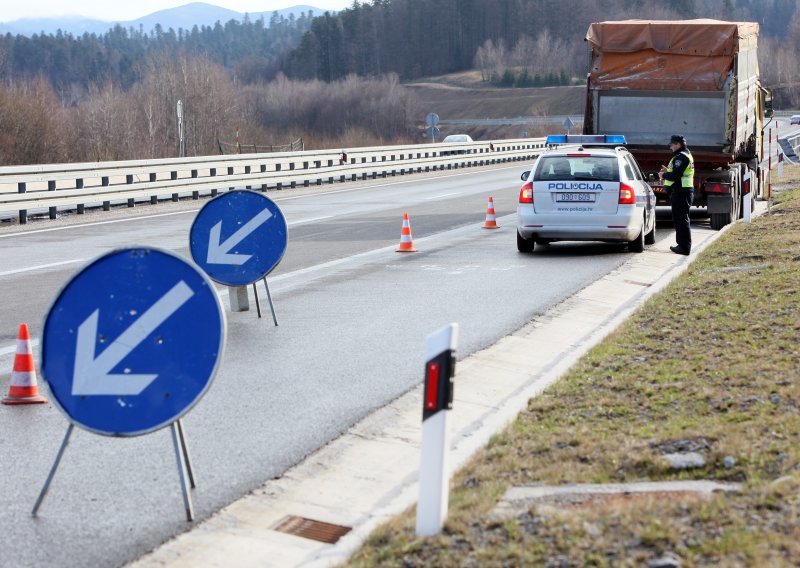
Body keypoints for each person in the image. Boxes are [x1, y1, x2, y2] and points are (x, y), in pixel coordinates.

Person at [660, 135, 694, 255]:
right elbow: (675, 173)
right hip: (681, 192)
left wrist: (663, 176)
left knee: (682, 220)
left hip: (682, 192)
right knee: (680, 219)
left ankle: (684, 247)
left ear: (678, 144)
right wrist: (667, 171)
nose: (670, 147)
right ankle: (682, 245)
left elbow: (675, 175)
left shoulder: (682, 157)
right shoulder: (682, 156)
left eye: (672, 144)